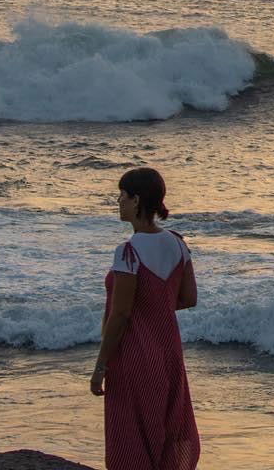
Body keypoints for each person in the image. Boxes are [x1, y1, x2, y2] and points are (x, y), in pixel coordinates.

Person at [91, 167, 200, 470]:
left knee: (131, 438)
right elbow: (188, 298)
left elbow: (121, 315)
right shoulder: (178, 243)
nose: (118, 201)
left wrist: (100, 367)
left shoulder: (128, 252)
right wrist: (155, 307)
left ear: (136, 200)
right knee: (168, 430)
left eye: (122, 195)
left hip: (134, 355)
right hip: (168, 352)